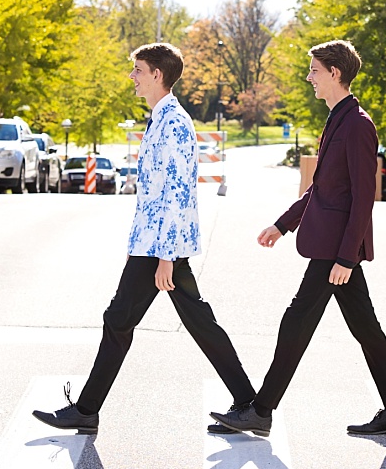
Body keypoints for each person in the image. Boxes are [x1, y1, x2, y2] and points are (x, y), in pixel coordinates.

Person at [33, 43, 256, 435]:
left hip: (158, 247)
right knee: (195, 322)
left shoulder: (174, 122)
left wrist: (167, 255)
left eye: (138, 70)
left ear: (158, 74)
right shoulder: (159, 119)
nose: (132, 76)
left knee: (120, 320)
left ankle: (86, 410)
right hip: (154, 242)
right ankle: (250, 404)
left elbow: (178, 190)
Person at [209, 39, 386, 438]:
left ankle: (262, 410)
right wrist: (282, 225)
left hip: (335, 251)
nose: (309, 77)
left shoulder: (357, 124)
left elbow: (361, 198)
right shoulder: (338, 118)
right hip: (331, 247)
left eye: (315, 70)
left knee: (296, 322)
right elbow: (322, 188)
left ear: (335, 73)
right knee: (365, 328)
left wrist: (347, 258)